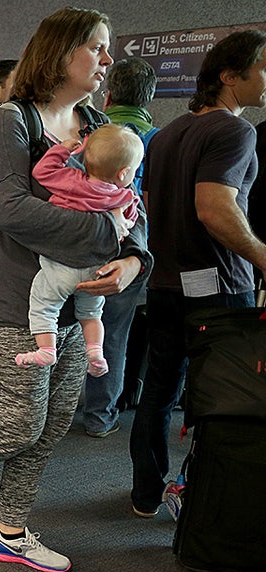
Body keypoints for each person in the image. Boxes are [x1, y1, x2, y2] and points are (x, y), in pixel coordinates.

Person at [0, 7, 147, 572]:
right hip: (4, 302)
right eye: (96, 46)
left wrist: (132, 260)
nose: (107, 58)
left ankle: (10, 530)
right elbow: (8, 209)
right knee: (18, 421)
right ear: (60, 52)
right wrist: (107, 236)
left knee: (51, 424)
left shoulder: (96, 124)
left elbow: (130, 202)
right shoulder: (12, 122)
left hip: (71, 306)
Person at [129, 30, 266, 518]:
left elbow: (148, 205)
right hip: (221, 290)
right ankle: (198, 496)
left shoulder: (166, 133)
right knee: (222, 397)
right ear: (230, 77)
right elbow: (214, 208)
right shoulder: (236, 131)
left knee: (159, 390)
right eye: (262, 68)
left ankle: (146, 495)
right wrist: (263, 256)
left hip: (166, 284)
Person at [18, 124, 144, 379]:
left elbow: (42, 172)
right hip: (96, 270)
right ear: (123, 173)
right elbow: (129, 225)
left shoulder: (71, 181)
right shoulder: (124, 198)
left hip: (60, 266)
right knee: (91, 314)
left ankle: (46, 350)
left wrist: (62, 150)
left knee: (43, 305)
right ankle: (95, 353)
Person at [81, 56, 159, 437]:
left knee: (68, 326)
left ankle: (56, 407)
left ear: (108, 95)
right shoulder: (157, 139)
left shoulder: (92, 133)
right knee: (113, 335)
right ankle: (100, 416)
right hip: (128, 252)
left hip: (79, 245)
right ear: (148, 99)